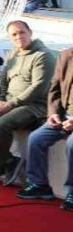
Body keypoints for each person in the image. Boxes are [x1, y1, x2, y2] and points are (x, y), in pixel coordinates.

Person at [0, 20, 54, 181]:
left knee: (3, 123)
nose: (19, 37)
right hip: (11, 103)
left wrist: (9, 104)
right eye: (14, 34)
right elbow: (3, 82)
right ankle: (9, 160)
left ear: (30, 32)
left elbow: (38, 87)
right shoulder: (12, 54)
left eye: (22, 32)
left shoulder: (43, 55)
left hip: (34, 106)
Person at [16, 42, 73, 209]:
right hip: (64, 116)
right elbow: (54, 88)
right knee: (36, 138)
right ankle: (39, 184)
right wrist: (53, 113)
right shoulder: (66, 55)